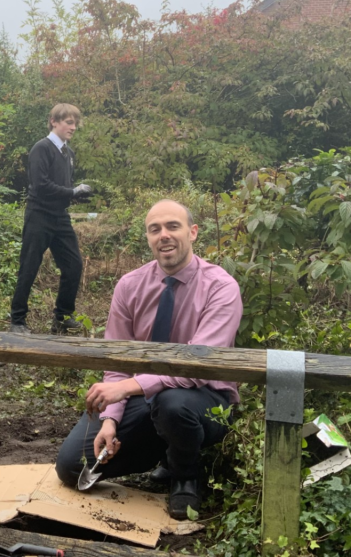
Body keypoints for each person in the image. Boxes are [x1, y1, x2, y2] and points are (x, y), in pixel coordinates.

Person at [54, 200, 242, 520]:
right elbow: (117, 363)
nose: (164, 235)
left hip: (206, 399)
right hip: (144, 396)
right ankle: (163, 448)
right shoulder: (130, 286)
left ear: (193, 232)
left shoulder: (221, 287)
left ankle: (185, 474)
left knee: (173, 404)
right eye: (155, 229)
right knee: (72, 466)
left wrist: (128, 387)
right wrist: (111, 420)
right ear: (148, 238)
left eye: (173, 226)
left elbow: (197, 369)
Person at [9, 103, 93, 335]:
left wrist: (76, 196)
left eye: (75, 123)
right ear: (53, 121)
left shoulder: (68, 153)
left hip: (60, 218)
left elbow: (62, 188)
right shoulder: (41, 148)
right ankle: (17, 320)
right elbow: (41, 185)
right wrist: (72, 192)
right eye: (68, 122)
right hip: (39, 216)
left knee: (74, 265)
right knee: (29, 266)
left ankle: (63, 317)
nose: (73, 127)